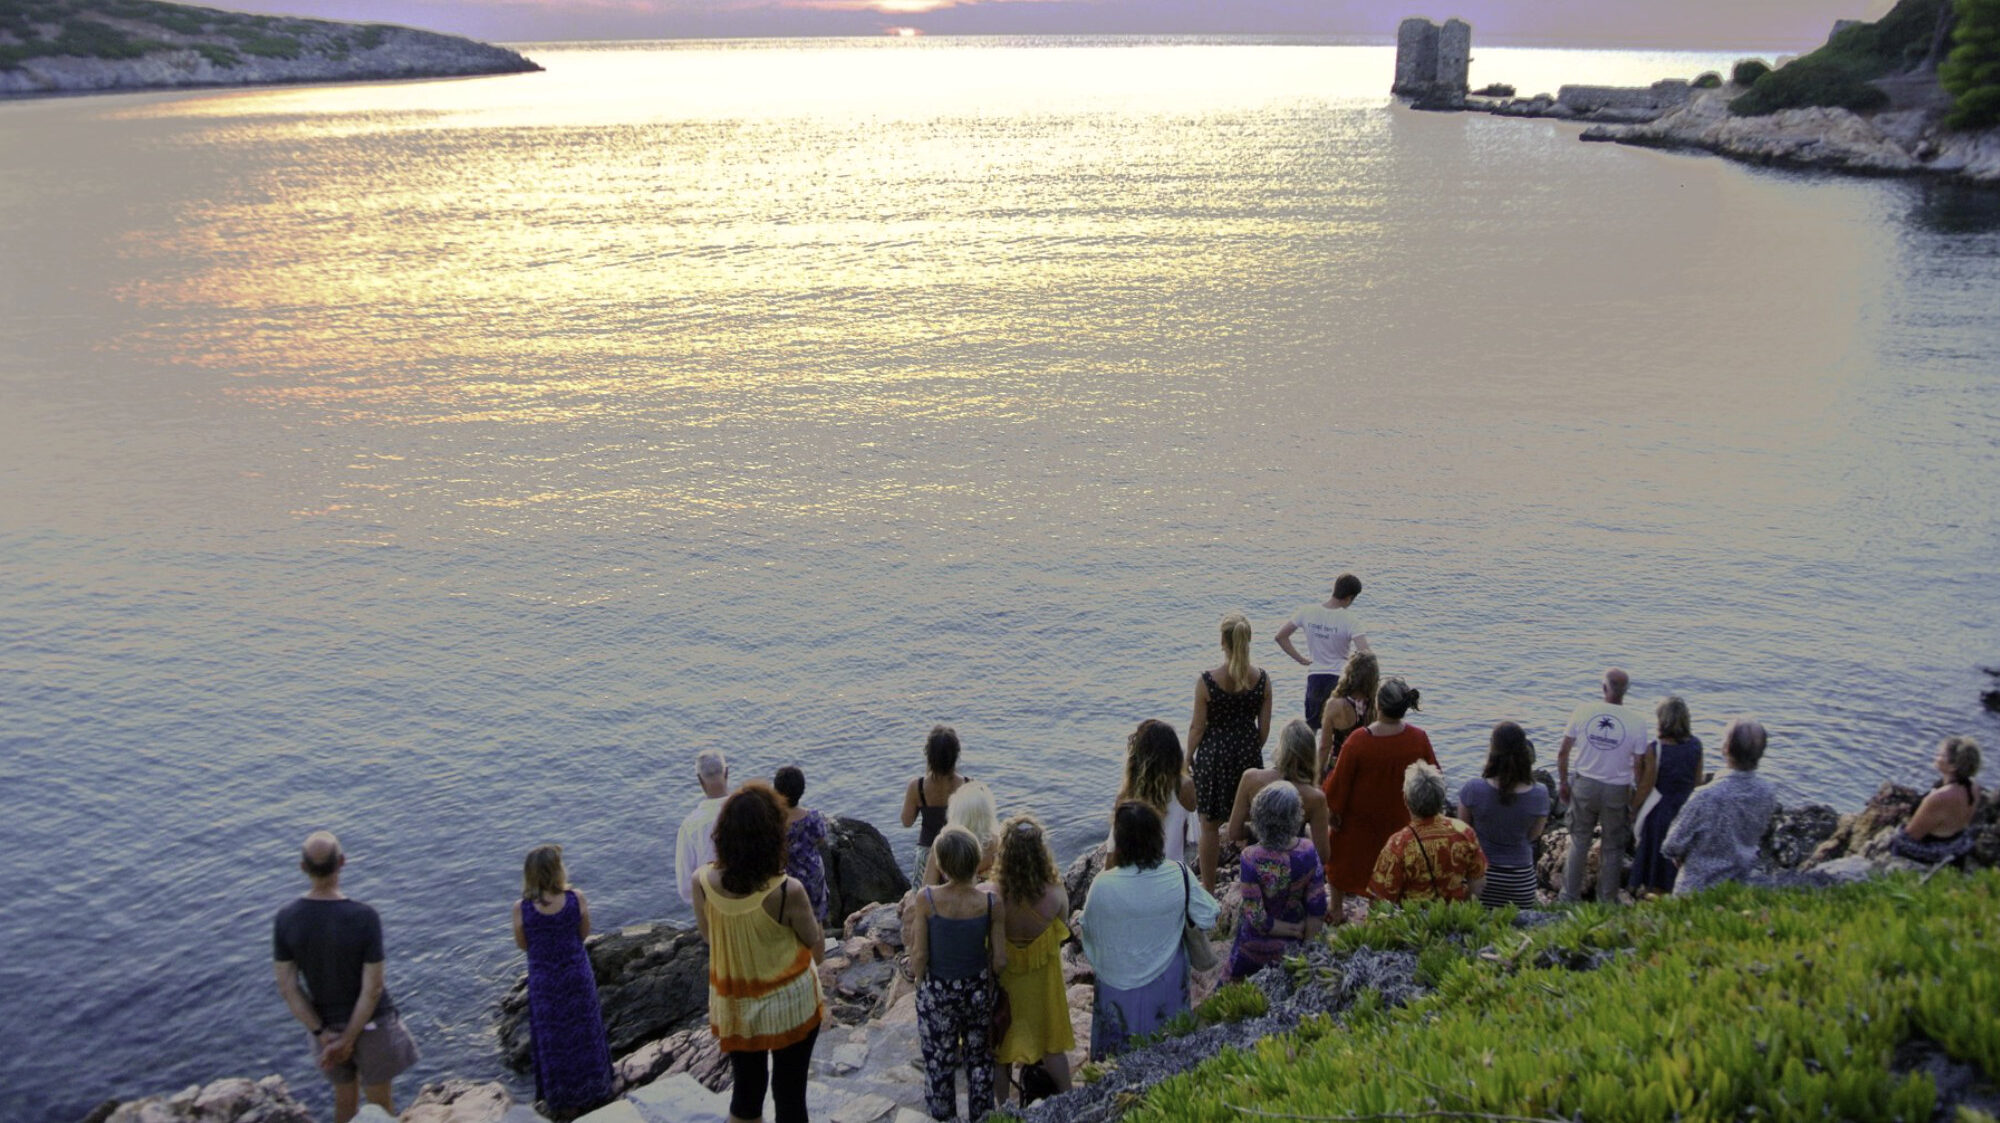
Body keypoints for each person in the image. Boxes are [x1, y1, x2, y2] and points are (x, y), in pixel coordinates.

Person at [691, 783, 825, 1123]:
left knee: (746, 1095)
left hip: (735, 1004)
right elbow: (814, 944)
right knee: (790, 1095)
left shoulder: (702, 882)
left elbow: (709, 937)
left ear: (724, 833)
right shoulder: (786, 891)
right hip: (790, 1003)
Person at [272, 832, 420, 1123]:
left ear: (302, 867)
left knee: (344, 1106)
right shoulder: (364, 917)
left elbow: (288, 989)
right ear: (342, 862)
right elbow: (373, 988)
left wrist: (324, 1034)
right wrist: (350, 1038)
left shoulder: (286, 918)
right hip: (371, 1025)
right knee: (380, 1108)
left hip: (324, 1028)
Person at [1078, 802, 1218, 1060]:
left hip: (1116, 981)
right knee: (1167, 1052)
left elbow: (1090, 930)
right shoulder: (1179, 875)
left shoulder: (1103, 884)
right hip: (1166, 978)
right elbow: (1208, 916)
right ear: (1158, 836)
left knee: (1115, 1061)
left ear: (1119, 842)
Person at [1320, 677, 1437, 922]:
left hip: (1359, 827)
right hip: (1401, 824)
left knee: (1338, 846)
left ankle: (1338, 908)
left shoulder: (1358, 741)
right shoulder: (1418, 739)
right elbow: (1433, 780)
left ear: (1377, 704)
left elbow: (1337, 787)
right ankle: (1382, 912)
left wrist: (1334, 816)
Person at [909, 827, 1006, 1122]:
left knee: (939, 1061)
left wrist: (918, 978)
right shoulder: (990, 903)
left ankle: (944, 1116)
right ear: (977, 862)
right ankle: (982, 1115)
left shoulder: (927, 899)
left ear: (940, 864)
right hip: (976, 990)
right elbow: (1000, 959)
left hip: (938, 992)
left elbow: (920, 953)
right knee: (979, 1060)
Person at [511, 845, 614, 1118]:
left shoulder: (521, 909)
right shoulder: (575, 898)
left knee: (553, 1039)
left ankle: (562, 1100)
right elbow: (584, 933)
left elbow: (523, 945)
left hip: (545, 981)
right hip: (576, 975)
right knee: (586, 1033)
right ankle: (597, 1089)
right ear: (557, 870)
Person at [992, 817, 1075, 1102]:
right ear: (1041, 851)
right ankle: (1069, 1100)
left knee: (1000, 1052)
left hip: (1007, 988)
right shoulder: (1055, 893)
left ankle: (1001, 1112)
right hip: (1043, 986)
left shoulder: (994, 897)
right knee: (1052, 1048)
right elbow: (1062, 932)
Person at [1189, 612, 1273, 891]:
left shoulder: (1207, 681)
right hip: (1248, 755)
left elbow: (1197, 728)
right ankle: (1258, 882)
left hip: (1214, 756)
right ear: (1248, 640)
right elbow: (1264, 729)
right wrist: (1249, 748)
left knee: (1210, 825)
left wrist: (1187, 756)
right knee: (1253, 819)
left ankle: (1209, 889)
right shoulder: (1262, 680)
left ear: (1222, 642)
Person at [1555, 668, 1650, 903]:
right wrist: (1637, 797)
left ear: (1604, 688)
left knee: (1579, 840)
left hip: (1585, 783)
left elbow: (1563, 752)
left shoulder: (1583, 711)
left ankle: (1569, 896)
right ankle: (1606, 900)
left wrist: (1564, 782)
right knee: (1613, 846)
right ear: (1626, 691)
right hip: (1617, 788)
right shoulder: (1637, 722)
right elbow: (1639, 766)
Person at [1661, 719, 1778, 895]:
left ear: (1726, 749)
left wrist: (1680, 857)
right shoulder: (1768, 793)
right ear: (1761, 753)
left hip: (1696, 888)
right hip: (1739, 888)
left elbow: (1672, 845)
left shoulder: (1706, 795)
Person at [1227, 783, 1328, 980]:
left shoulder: (1250, 857)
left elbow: (1255, 917)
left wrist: (1289, 929)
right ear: (1295, 817)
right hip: (1294, 946)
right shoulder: (1307, 851)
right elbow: (1318, 908)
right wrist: (1305, 949)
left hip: (1253, 949)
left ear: (1259, 815)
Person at [1457, 722, 1550, 908]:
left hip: (1481, 880)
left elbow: (1464, 833)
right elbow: (1533, 835)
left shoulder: (1473, 789)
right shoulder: (1540, 793)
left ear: (1492, 748)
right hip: (1521, 884)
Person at [1368, 762, 1487, 905]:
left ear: (1407, 800)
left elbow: (1381, 898)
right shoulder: (1464, 833)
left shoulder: (1398, 844)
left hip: (1415, 924)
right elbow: (1478, 884)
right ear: (1441, 796)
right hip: (1455, 918)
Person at [1224, 719, 1332, 865]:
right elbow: (1323, 855)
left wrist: (1257, 829)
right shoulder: (1316, 797)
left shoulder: (1250, 778)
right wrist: (1305, 835)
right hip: (1294, 869)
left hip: (1258, 867)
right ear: (1310, 753)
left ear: (1281, 748)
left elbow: (1234, 832)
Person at [1274, 573, 1372, 733]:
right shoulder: (1350, 620)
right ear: (1350, 597)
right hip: (1339, 681)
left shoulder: (1307, 611)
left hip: (1315, 678)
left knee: (1311, 730)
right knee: (1339, 733)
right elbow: (1366, 654)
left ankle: (1308, 757)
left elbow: (1280, 637)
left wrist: (1301, 659)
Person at [1627, 697, 1704, 897]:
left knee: (1656, 864)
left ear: (1662, 720)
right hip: (1686, 807)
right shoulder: (1696, 745)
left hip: (1661, 811)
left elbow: (1647, 785)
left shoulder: (1656, 749)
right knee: (1682, 863)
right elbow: (1698, 782)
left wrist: (1633, 808)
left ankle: (1656, 900)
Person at [1107, 718, 1197, 867]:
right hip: (1169, 871)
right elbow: (1190, 833)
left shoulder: (1127, 793)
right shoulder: (1183, 786)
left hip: (1132, 871)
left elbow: (1114, 847)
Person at [1890, 736, 1982, 865]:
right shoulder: (1974, 787)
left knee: (1895, 841)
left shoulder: (1939, 797)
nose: (1936, 756)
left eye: (1941, 755)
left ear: (1953, 766)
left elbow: (1911, 836)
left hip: (1937, 851)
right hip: (1958, 843)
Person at [901, 725, 969, 886]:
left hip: (927, 851)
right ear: (956, 755)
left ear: (928, 755)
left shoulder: (917, 786)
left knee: (923, 901)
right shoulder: (968, 785)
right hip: (959, 853)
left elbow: (906, 821)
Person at [774, 766, 830, 923]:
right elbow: (821, 840)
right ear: (802, 790)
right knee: (815, 921)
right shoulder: (814, 817)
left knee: (788, 922)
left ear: (776, 792)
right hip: (812, 876)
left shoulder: (773, 821)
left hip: (785, 879)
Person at [675, 749, 730, 906]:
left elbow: (686, 888)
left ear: (700, 780)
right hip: (756, 907)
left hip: (713, 909)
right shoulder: (752, 810)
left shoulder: (690, 826)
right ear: (726, 773)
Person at [1315, 650, 1380, 781]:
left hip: (1339, 769)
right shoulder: (1376, 705)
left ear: (1349, 673)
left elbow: (1324, 747)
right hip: (1366, 771)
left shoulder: (1335, 705)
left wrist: (1316, 778)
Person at [923, 780, 1001, 886]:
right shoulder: (999, 844)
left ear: (956, 811)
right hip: (987, 901)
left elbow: (927, 886)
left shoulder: (944, 843)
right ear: (987, 813)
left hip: (950, 900)